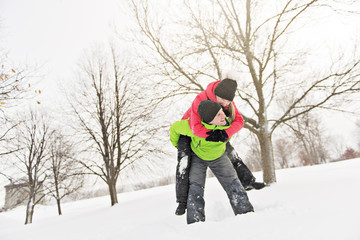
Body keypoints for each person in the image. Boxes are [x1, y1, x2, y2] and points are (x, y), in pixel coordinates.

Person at [175, 78, 265, 215]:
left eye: (228, 102)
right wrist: (212, 134)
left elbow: (239, 121)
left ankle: (248, 181)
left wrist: (224, 133)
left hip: (214, 131)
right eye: (223, 101)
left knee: (231, 154)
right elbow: (195, 127)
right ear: (216, 94)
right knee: (184, 163)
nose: (226, 104)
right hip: (189, 133)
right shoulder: (199, 100)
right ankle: (182, 202)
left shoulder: (226, 100)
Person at [170, 100, 254, 224]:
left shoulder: (228, 123)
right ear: (209, 120)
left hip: (219, 157)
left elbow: (238, 120)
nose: (223, 116)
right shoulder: (192, 126)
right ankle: (195, 223)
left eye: (222, 112)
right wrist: (180, 146)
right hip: (198, 158)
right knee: (195, 188)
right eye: (218, 115)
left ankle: (246, 215)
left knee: (233, 183)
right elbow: (174, 129)